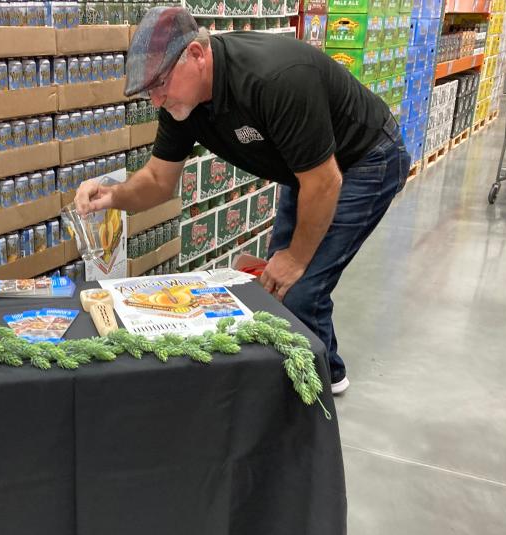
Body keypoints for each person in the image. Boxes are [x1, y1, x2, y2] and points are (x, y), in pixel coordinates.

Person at [75, 7, 410, 395]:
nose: (155, 99)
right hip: (304, 170)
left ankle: (313, 401)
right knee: (276, 285)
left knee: (297, 285)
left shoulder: (274, 79)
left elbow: (324, 182)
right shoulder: (180, 105)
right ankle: (326, 370)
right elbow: (157, 180)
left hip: (365, 160)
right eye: (149, 90)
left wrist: (297, 257)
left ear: (198, 56)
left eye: (160, 84)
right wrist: (111, 196)